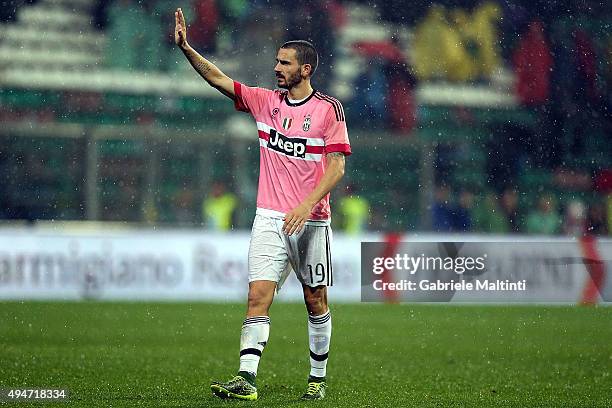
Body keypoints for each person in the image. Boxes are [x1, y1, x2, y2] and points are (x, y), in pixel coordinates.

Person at [174, 8, 351, 401]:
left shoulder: (328, 110)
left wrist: (306, 206)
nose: (276, 68)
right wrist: (187, 48)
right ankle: (246, 378)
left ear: (305, 70)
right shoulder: (264, 102)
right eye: (276, 61)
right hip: (269, 218)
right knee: (258, 296)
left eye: (284, 63)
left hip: (311, 222)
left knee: (314, 299)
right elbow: (218, 78)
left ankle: (317, 379)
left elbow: (336, 167)